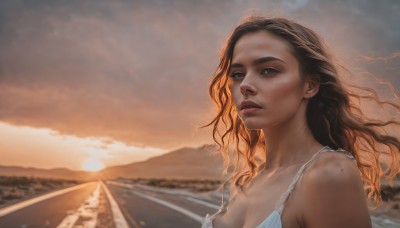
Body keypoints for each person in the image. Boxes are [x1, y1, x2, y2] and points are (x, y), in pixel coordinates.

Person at [201, 16, 400, 228]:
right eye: (238, 74)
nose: (245, 85)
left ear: (310, 85)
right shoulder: (250, 180)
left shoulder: (329, 174)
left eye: (268, 70)